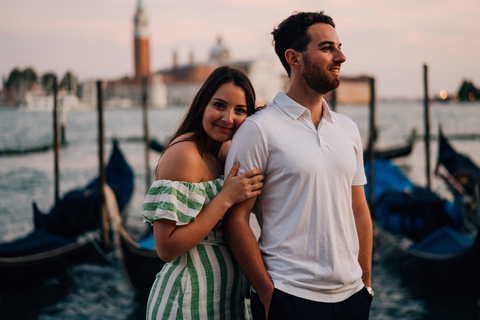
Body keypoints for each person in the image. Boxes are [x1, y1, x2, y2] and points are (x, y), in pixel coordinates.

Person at [224, 11, 373, 320]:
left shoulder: (347, 129)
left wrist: (366, 284)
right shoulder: (258, 129)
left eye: (339, 46)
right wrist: (268, 295)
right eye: (327, 47)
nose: (341, 56)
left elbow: (359, 210)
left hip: (352, 297)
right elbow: (236, 220)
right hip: (289, 297)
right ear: (294, 58)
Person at [140, 66, 265, 320]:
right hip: (187, 302)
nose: (228, 118)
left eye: (239, 110)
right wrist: (225, 199)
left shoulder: (225, 151)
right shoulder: (185, 155)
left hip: (226, 300)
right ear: (202, 104)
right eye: (219, 105)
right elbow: (165, 248)